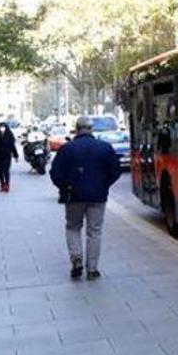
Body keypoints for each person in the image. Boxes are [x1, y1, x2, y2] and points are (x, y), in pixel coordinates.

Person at [50, 115, 121, 280]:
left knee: (73, 227)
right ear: (91, 129)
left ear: (76, 129)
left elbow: (55, 173)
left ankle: (76, 260)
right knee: (94, 231)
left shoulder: (66, 149)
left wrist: (64, 187)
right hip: (97, 196)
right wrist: (103, 185)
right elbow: (115, 171)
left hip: (73, 195)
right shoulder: (104, 148)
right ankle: (92, 268)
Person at [0, 122, 19, 192]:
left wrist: (16, 155)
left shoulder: (10, 136)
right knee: (0, 171)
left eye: (3, 127)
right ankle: (2, 184)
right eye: (0, 127)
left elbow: (12, 146)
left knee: (6, 171)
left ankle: (7, 185)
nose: (2, 129)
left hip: (7, 156)